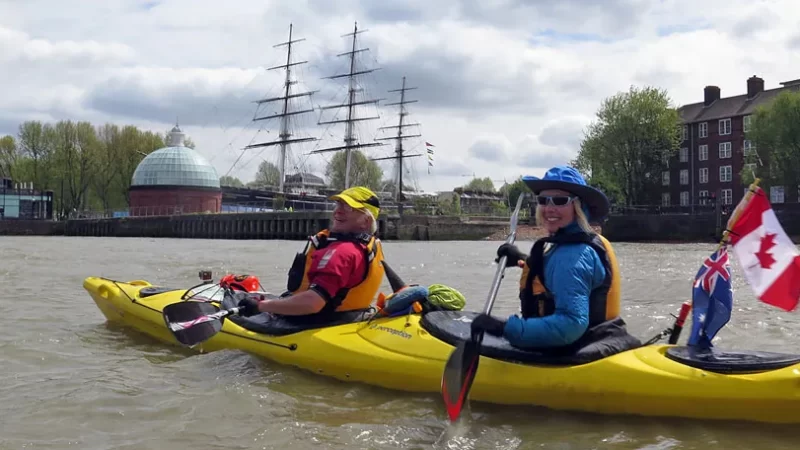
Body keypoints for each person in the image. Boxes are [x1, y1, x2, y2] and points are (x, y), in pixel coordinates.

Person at [470, 166, 641, 354]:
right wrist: (523, 260)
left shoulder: (573, 256)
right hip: (602, 337)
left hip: (571, 349)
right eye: (543, 200)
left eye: (560, 201)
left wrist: (503, 329)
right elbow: (557, 277)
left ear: (578, 207)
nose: (549, 208)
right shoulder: (582, 243)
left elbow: (570, 324)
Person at [237, 186, 386, 319]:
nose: (338, 211)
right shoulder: (369, 246)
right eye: (339, 204)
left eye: (349, 208)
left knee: (244, 303)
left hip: (314, 321)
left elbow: (312, 303)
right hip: (347, 317)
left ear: (366, 221)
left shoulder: (342, 253)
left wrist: (260, 307)